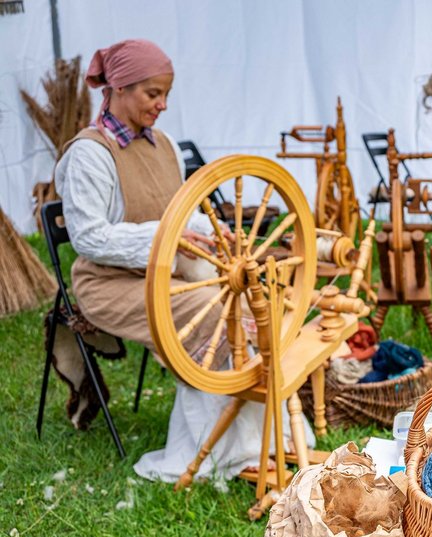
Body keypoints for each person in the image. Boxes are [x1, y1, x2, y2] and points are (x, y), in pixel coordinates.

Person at [54, 39, 310, 482]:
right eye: (153, 94)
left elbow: (184, 211)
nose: (163, 104)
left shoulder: (165, 145)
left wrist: (215, 232)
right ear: (119, 87)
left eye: (166, 94)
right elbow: (89, 238)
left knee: (245, 301)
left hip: (166, 273)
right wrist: (167, 238)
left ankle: (270, 435)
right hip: (111, 284)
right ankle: (224, 450)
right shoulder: (89, 154)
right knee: (209, 309)